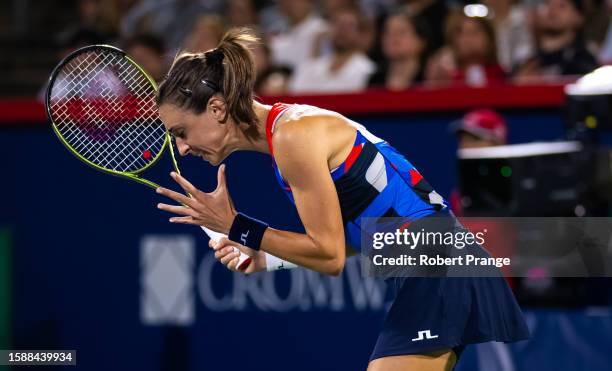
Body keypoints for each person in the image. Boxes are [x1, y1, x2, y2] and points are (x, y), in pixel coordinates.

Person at [154, 28, 529, 371]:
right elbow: (355, 239)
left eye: (181, 132)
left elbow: (329, 256)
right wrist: (268, 259)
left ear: (217, 108)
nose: (182, 148)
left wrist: (239, 227)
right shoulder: (289, 132)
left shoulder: (292, 139)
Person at [288, 7, 375, 93]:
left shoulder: (367, 70)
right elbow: (296, 93)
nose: (341, 30)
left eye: (349, 26)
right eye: (337, 24)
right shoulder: (313, 67)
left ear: (361, 34)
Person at [515, 0, 598, 80]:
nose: (552, 10)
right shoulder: (525, 62)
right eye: (547, 4)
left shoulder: (584, 63)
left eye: (561, 6)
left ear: (578, 17)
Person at [426, 10, 506, 86]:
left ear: (489, 38)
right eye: (461, 33)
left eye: (475, 31)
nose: (468, 39)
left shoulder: (505, 77)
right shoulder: (444, 79)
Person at [368, 11, 431, 90]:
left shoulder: (429, 79)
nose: (392, 37)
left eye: (401, 32)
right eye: (387, 32)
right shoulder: (375, 80)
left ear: (421, 41)